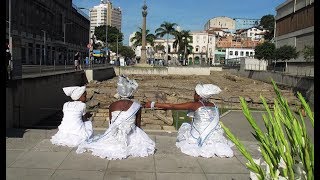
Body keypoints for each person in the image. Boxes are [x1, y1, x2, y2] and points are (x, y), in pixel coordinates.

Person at [76, 75, 155, 160]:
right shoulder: (136, 106)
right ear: (131, 92)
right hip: (130, 133)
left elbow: (111, 123)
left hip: (114, 132)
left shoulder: (112, 106)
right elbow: (138, 125)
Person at [145, 84, 234, 158]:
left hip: (198, 135)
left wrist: (153, 104)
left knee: (186, 126)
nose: (193, 95)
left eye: (195, 93)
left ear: (199, 96)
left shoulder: (195, 105)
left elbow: (172, 106)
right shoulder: (213, 105)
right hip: (213, 135)